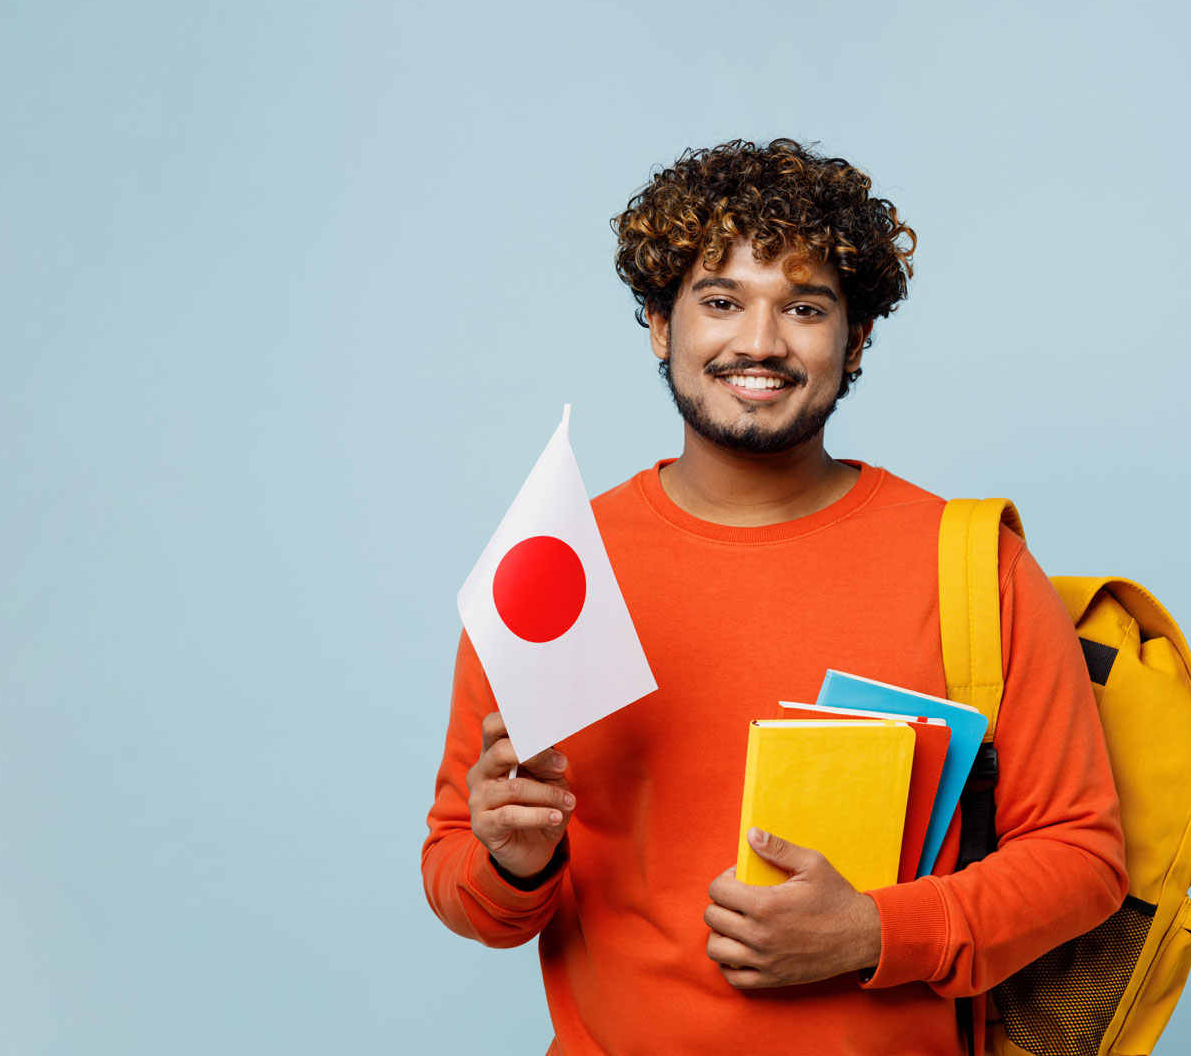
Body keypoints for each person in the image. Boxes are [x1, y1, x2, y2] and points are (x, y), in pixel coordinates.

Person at [421, 139, 1127, 1054]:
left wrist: (877, 934)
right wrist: (517, 864)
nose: (759, 342)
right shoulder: (551, 567)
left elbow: (1084, 856)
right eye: (720, 302)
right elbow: (460, 877)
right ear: (658, 325)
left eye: (803, 307)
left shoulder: (972, 563)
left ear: (856, 338)